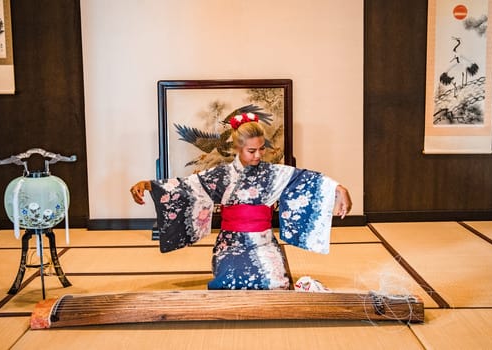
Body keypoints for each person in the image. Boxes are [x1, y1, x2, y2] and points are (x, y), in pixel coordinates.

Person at [130, 112, 352, 290]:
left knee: (276, 284)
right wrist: (148, 185)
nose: (258, 155)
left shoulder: (273, 173)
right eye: (251, 151)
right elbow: (185, 186)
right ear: (237, 148)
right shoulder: (221, 175)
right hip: (231, 242)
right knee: (228, 282)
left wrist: (337, 189)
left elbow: (305, 179)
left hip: (264, 241)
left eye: (262, 149)